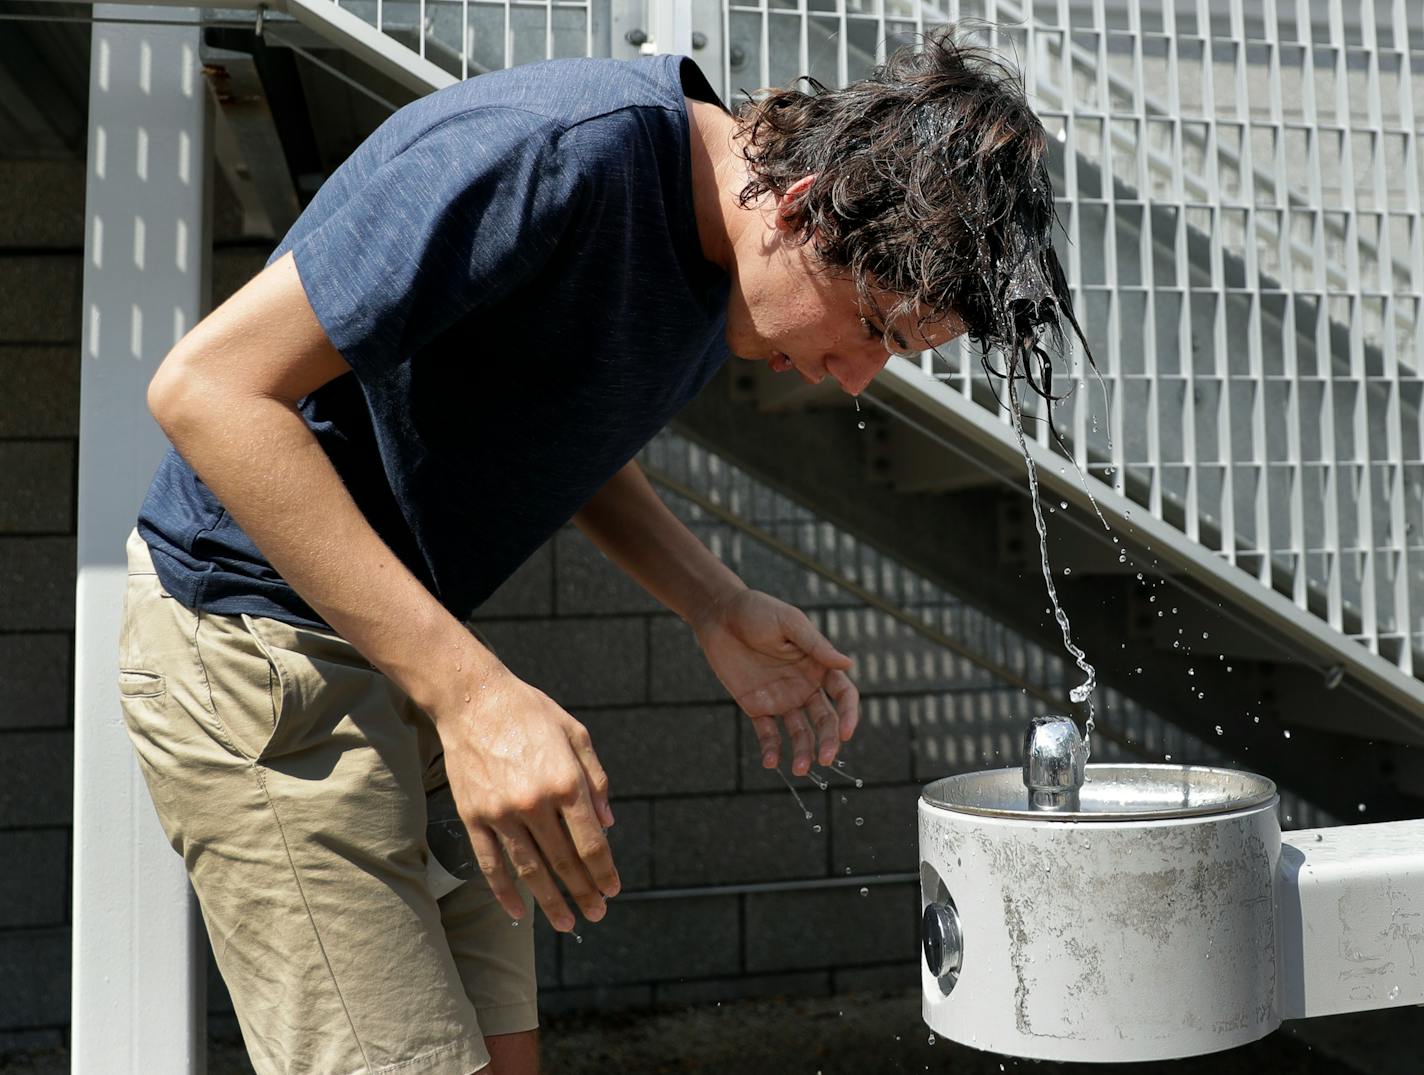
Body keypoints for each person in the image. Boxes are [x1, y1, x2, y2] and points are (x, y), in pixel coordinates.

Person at [118, 26, 1079, 1075]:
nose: (856, 379)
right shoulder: (552, 156)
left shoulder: (716, 254)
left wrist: (712, 601)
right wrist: (476, 700)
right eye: (875, 331)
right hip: (253, 650)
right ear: (800, 209)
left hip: (408, 642)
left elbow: (552, 428)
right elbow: (206, 389)